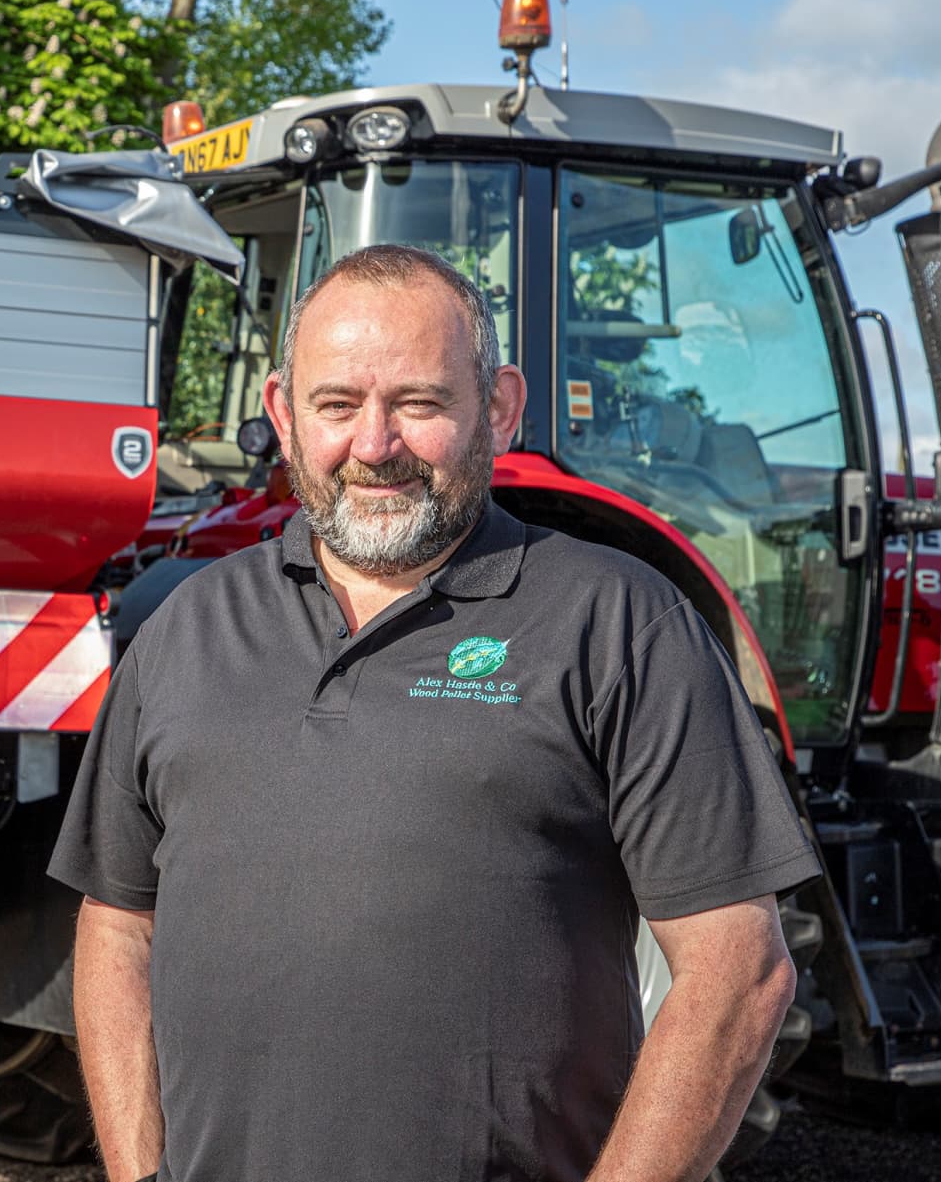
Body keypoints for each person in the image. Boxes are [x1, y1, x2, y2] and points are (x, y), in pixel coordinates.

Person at [47, 244, 821, 1182]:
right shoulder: (187, 627)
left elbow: (739, 971)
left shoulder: (619, 623)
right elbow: (118, 923)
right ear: (284, 416)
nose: (374, 445)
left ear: (498, 406)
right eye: (337, 406)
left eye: (418, 404)